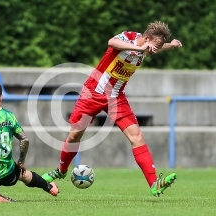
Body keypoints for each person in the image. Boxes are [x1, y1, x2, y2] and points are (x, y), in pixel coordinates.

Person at [42, 21, 183, 197]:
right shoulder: (128, 38)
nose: (152, 50)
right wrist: (142, 49)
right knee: (74, 135)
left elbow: (154, 47)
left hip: (116, 99)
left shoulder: (148, 46)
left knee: (137, 136)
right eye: (154, 46)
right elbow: (111, 42)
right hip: (93, 94)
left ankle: (154, 184)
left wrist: (171, 46)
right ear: (146, 38)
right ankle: (61, 171)